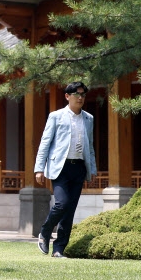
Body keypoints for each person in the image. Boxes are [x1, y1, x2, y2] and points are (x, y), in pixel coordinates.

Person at [35, 81, 97, 258]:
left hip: (78, 167)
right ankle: (45, 231)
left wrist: (92, 168)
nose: (80, 98)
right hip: (60, 167)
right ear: (67, 96)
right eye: (76, 94)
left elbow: (90, 145)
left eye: (83, 95)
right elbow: (45, 143)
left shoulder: (88, 118)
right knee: (61, 203)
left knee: (70, 210)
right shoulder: (56, 116)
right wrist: (39, 168)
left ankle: (58, 249)